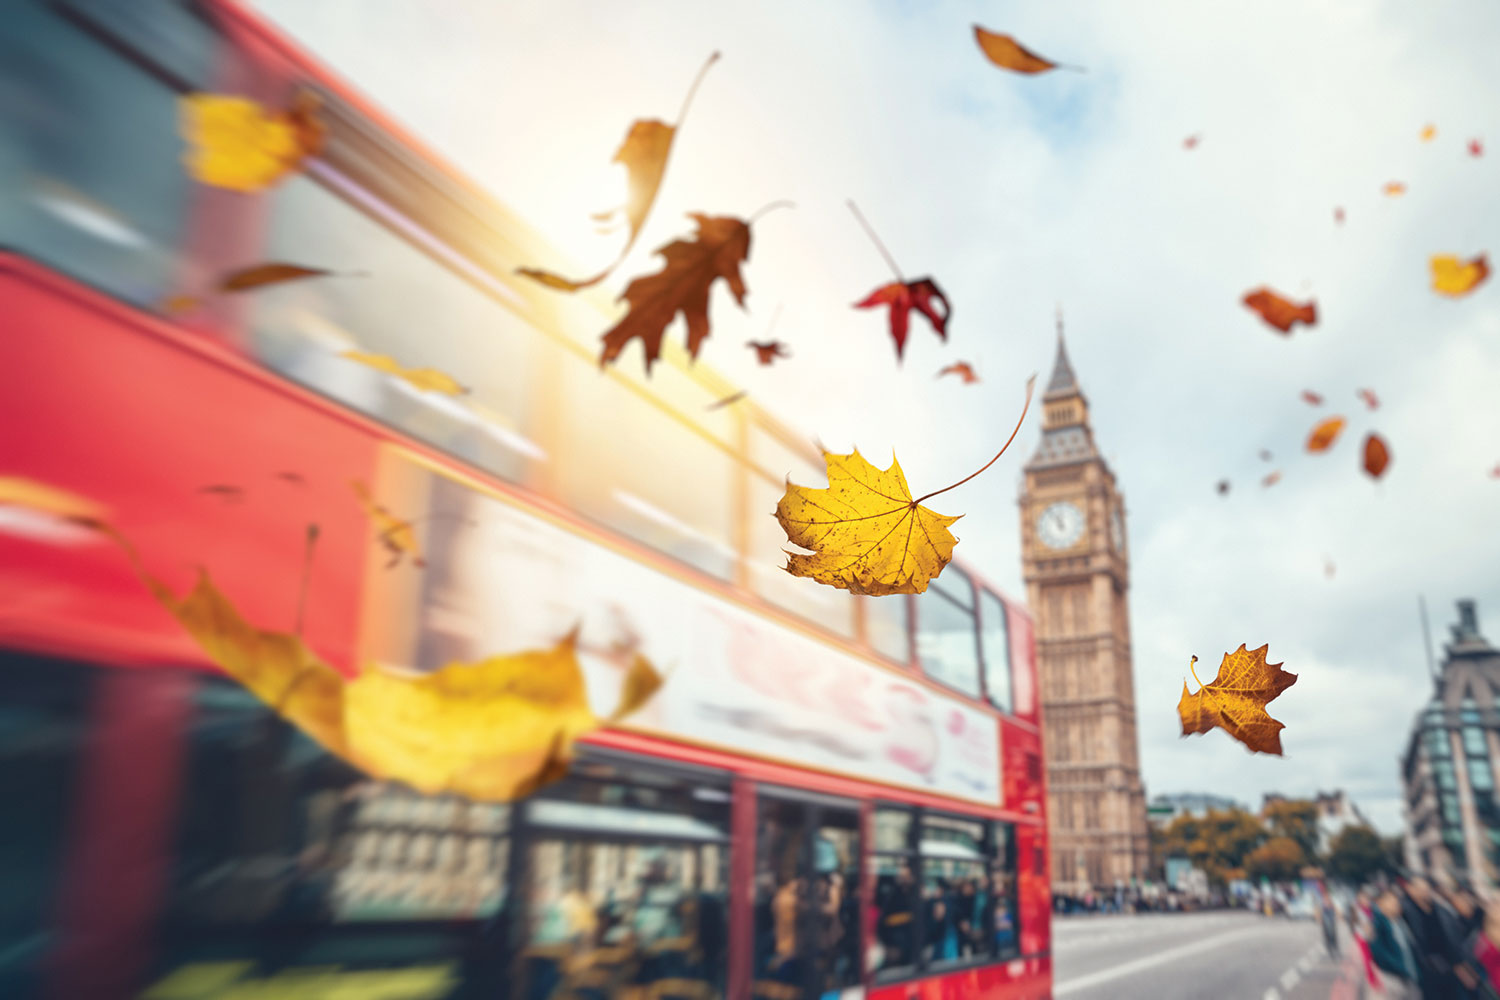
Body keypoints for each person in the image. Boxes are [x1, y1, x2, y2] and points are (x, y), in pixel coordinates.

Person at [1401, 875, 1470, 999]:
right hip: (1428, 970)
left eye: (1426, 889)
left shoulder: (1438, 909)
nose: (1425, 892)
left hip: (1450, 964)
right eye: (1420, 889)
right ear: (1410, 889)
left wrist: (1459, 962)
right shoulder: (1406, 912)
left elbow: (1452, 936)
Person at [1370, 888, 1419, 998]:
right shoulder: (1377, 924)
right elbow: (1379, 954)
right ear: (1381, 903)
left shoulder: (1400, 922)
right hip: (1392, 977)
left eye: (1396, 901)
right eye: (1391, 901)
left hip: (1409, 975)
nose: (1396, 904)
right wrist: (1399, 968)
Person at [1348, 888, 1382, 992]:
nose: (1365, 901)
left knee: (1375, 957)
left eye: (1367, 898)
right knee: (1367, 958)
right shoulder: (1357, 910)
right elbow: (1354, 924)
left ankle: (1378, 977)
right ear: (1359, 899)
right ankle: (1372, 980)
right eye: (1362, 898)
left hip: (1372, 936)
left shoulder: (1373, 909)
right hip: (1362, 937)